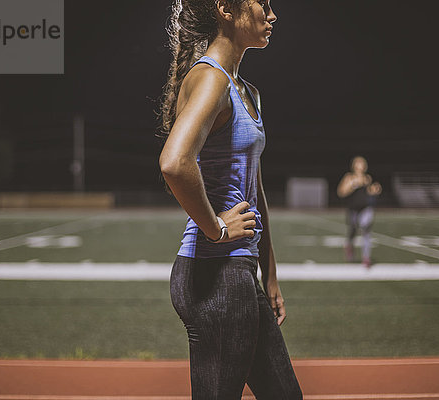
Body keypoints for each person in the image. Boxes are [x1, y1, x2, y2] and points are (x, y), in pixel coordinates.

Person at [158, 0, 302, 398]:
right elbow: (174, 162)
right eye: (263, 5)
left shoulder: (246, 90)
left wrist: (269, 275)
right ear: (225, 8)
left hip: (239, 272)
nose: (272, 16)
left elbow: (255, 188)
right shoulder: (211, 79)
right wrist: (218, 229)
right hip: (215, 272)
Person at [337, 156, 382, 268]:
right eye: (358, 163)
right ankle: (349, 246)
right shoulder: (349, 177)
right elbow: (341, 192)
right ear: (354, 166)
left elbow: (369, 193)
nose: (361, 166)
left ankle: (366, 258)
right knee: (352, 230)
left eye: (362, 163)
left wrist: (375, 190)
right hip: (353, 209)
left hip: (365, 208)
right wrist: (353, 184)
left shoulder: (367, 178)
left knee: (366, 229)